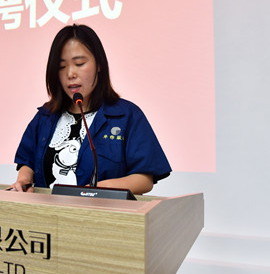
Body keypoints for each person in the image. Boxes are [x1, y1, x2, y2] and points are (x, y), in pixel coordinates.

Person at [9, 24, 171, 194]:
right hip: (46, 210)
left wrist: (99, 190)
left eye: (79, 63)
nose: (70, 73)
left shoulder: (127, 115)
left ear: (99, 64)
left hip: (100, 210)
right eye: (61, 67)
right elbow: (27, 162)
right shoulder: (45, 116)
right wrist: (23, 180)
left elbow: (144, 180)